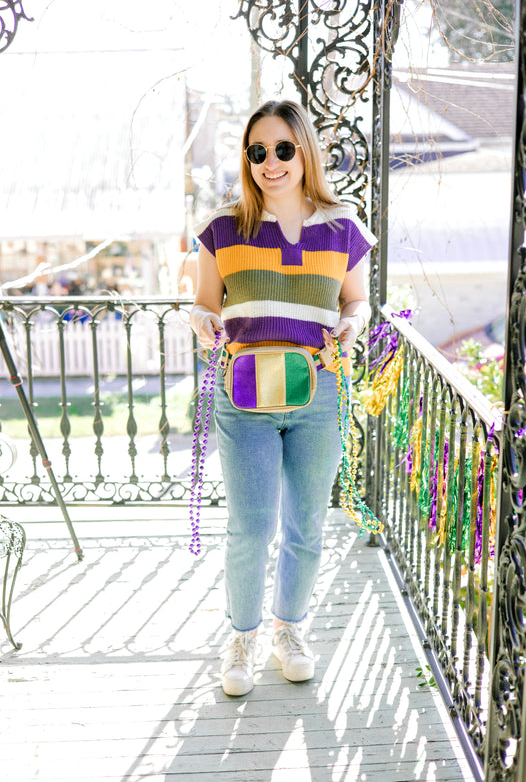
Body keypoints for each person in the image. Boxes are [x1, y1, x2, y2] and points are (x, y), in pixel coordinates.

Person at [189, 99, 376, 696]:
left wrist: (353, 322)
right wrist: (199, 318)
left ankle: (287, 630)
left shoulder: (342, 225)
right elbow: (205, 303)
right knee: (250, 526)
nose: (271, 162)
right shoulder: (224, 227)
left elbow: (356, 301)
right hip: (243, 391)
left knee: (306, 525)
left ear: (305, 151)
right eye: (258, 152)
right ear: (249, 160)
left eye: (283, 149)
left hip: (318, 390)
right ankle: (241, 638)